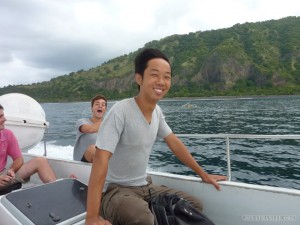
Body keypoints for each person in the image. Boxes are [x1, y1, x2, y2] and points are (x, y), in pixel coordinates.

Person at [85, 48, 226, 225]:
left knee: (193, 206)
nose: (161, 82)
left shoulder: (157, 112)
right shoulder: (121, 111)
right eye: (154, 75)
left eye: (167, 77)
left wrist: (203, 174)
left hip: (145, 186)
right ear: (139, 78)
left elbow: (174, 142)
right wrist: (91, 217)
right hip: (115, 190)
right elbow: (100, 159)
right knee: (143, 219)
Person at [0, 104, 57, 193]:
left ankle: (58, 192)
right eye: (0, 117)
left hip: (2, 174)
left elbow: (18, 159)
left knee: (40, 161)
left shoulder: (7, 134)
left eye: (3, 115)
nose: (5, 119)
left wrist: (12, 169)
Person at [73, 94, 107, 163]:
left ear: (105, 109)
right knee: (93, 149)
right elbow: (90, 129)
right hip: (82, 163)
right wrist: (110, 121)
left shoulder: (109, 125)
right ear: (92, 108)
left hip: (102, 161)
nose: (100, 106)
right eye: (97, 104)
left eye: (103, 105)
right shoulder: (81, 122)